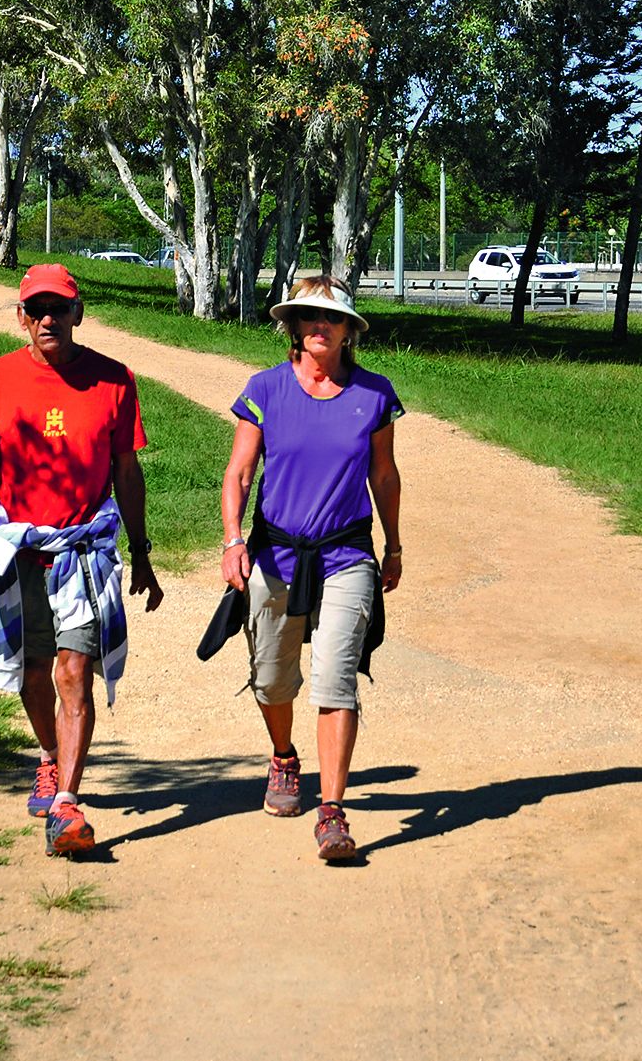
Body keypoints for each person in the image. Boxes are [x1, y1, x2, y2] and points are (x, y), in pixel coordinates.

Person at [0, 262, 163, 857]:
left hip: (84, 551)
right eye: (36, 309)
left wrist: (141, 552)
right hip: (21, 550)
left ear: (77, 313)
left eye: (58, 308)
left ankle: (66, 802)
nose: (47, 319)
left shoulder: (114, 380)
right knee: (34, 670)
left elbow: (127, 472)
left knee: (72, 671)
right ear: (21, 317)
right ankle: (48, 754)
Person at [221, 274, 402, 861]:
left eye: (333, 318)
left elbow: (384, 476)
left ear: (350, 331)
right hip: (276, 555)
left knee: (335, 681)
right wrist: (232, 539)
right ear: (293, 327)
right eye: (309, 316)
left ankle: (332, 812)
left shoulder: (374, 395)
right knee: (272, 679)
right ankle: (283, 756)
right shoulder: (265, 389)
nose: (321, 326)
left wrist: (393, 546)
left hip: (347, 555)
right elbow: (239, 472)